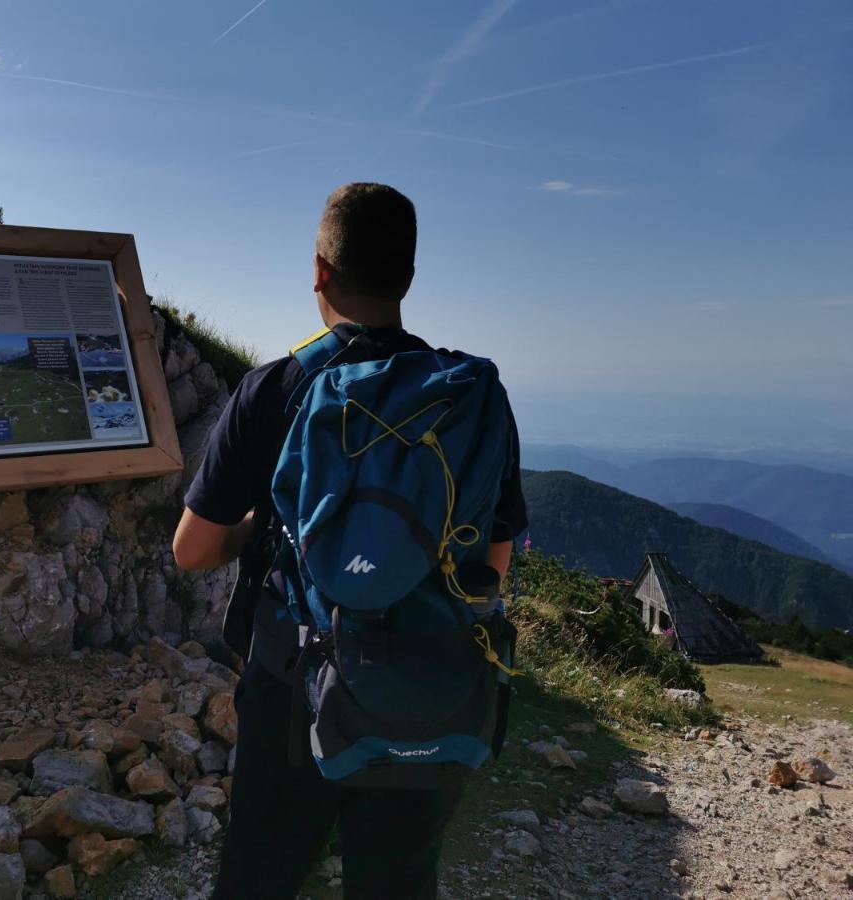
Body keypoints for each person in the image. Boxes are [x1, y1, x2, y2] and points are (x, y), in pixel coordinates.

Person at [173, 182, 527, 899]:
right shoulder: (465, 396)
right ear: (409, 277)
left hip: (293, 685)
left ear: (320, 271)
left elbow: (191, 549)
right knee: (396, 881)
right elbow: (492, 562)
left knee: (260, 873)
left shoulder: (275, 388)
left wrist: (257, 533)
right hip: (429, 684)